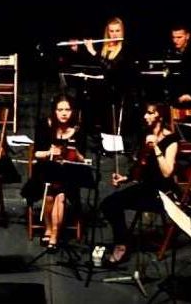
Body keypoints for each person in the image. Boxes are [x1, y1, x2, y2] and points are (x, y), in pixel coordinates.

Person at [99, 102, 179, 265]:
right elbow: (141, 166)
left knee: (116, 203)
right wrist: (125, 178)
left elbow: (167, 173)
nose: (145, 116)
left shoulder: (171, 140)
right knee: (109, 204)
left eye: (150, 113)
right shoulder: (145, 134)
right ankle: (122, 241)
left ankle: (121, 245)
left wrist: (156, 148)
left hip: (162, 193)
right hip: (145, 187)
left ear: (160, 116)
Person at [21, 94, 86, 249]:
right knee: (49, 196)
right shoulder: (45, 125)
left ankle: (54, 234)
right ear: (54, 111)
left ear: (72, 111)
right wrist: (49, 152)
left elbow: (82, 159)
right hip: (46, 170)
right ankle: (49, 228)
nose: (64, 113)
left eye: (67, 110)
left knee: (61, 196)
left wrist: (75, 152)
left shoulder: (78, 129)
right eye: (60, 110)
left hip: (68, 173)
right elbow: (36, 154)